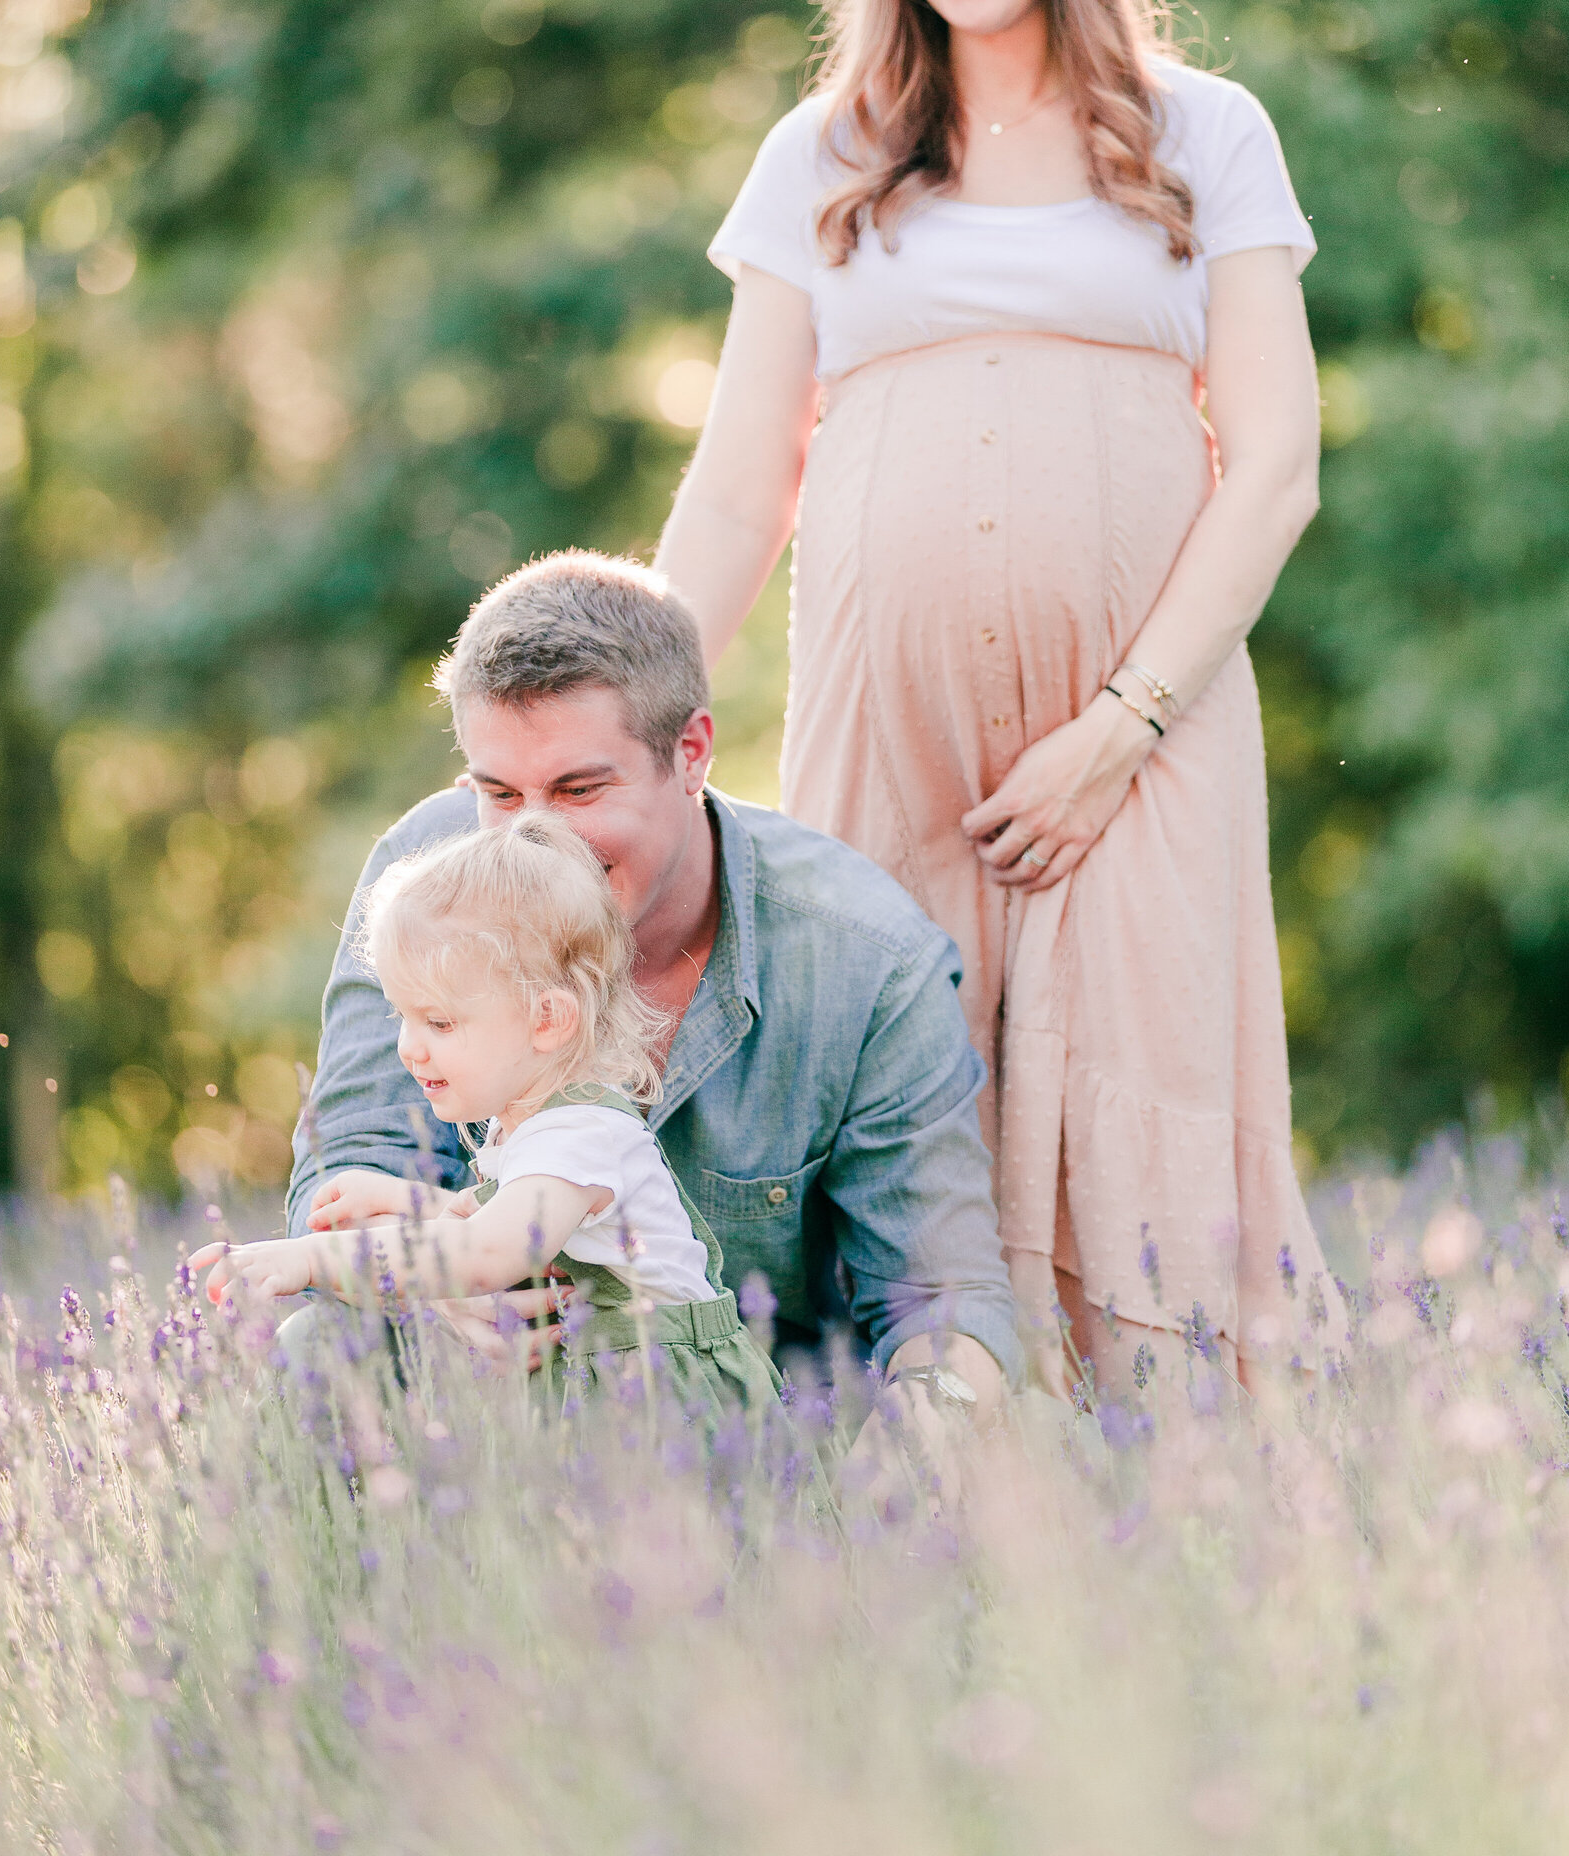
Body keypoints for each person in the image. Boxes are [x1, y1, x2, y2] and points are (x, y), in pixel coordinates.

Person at [655, 0, 1332, 1400]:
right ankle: (929, 1548)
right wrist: (640, 729)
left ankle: (1171, 1536)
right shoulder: (824, 156)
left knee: (1144, 1104)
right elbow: (741, 490)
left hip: (1146, 742)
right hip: (892, 739)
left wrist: (1124, 727)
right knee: (901, 1108)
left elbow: (1273, 470)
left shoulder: (1204, 134)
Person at [284, 550, 1022, 1461]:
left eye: (579, 789)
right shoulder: (426, 877)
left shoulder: (867, 958)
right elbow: (349, 1158)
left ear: (692, 753)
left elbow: (942, 1299)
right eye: (498, 792)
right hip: (480, 1420)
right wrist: (446, 1285)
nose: (533, 836)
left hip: (751, 1437)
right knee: (312, 1347)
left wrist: (914, 1448)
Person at [195, 817, 782, 1421]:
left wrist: (312, 1260)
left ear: (548, 1019)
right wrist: (408, 1200)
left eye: (439, 1022)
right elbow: (502, 1217)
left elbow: (491, 1249)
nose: (407, 1047)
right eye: (402, 1016)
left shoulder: (580, 1133)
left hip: (678, 1415)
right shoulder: (531, 1127)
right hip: (617, 1397)